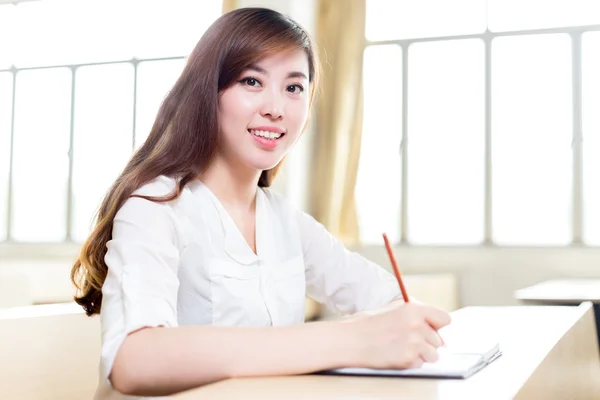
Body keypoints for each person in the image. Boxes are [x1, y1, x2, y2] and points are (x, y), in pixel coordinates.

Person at [70, 7, 451, 399]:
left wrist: (405, 325)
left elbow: (389, 299)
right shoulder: (154, 206)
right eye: (252, 81)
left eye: (294, 87)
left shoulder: (286, 221)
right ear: (208, 92)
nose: (276, 107)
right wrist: (347, 339)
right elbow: (134, 361)